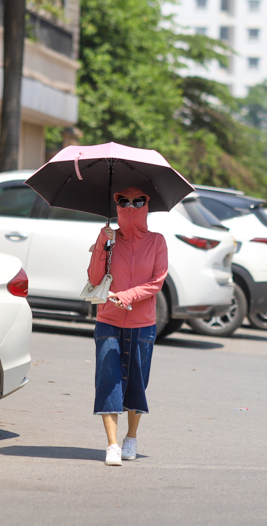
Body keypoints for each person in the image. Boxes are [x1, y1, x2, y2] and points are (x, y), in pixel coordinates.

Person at [87, 187, 168, 466]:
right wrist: (101, 243)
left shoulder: (157, 241)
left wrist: (128, 296)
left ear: (147, 205)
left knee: (137, 383)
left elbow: (157, 282)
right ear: (116, 204)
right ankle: (111, 444)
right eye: (123, 201)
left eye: (137, 201)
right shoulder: (109, 239)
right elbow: (95, 277)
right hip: (108, 318)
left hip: (142, 323)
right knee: (107, 380)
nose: (130, 207)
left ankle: (131, 438)